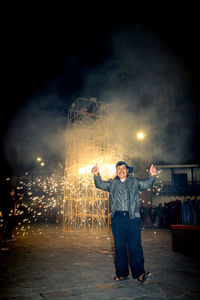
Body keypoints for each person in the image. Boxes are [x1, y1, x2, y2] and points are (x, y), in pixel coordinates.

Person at [92, 161, 157, 284]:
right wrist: (96, 175)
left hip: (132, 217)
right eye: (118, 168)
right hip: (117, 218)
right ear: (116, 171)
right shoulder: (112, 183)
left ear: (128, 171)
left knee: (135, 246)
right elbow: (99, 184)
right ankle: (121, 274)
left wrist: (152, 176)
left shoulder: (135, 182)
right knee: (119, 246)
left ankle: (140, 274)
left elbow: (147, 183)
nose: (121, 170)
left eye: (123, 168)